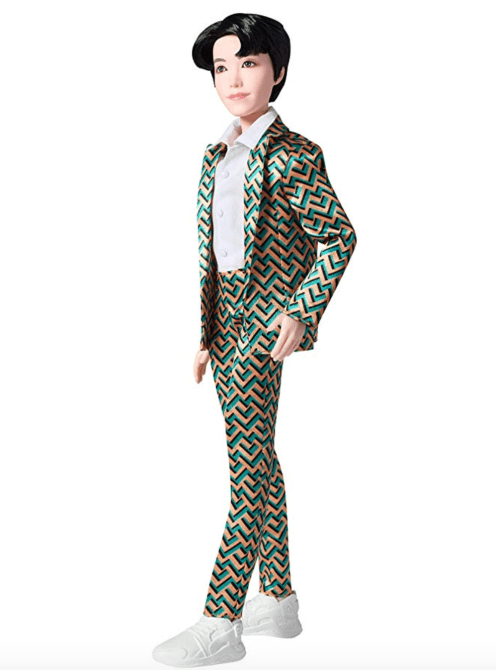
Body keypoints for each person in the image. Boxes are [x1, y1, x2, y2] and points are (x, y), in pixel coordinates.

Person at [153, 13, 357, 667]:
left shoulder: (293, 153)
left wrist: (301, 310)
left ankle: (221, 619)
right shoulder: (215, 156)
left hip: (266, 323)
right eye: (221, 67)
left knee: (247, 469)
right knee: (257, 458)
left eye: (247, 63)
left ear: (278, 70)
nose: (233, 79)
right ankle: (278, 599)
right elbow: (217, 254)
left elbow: (338, 235)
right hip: (227, 325)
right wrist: (206, 334)